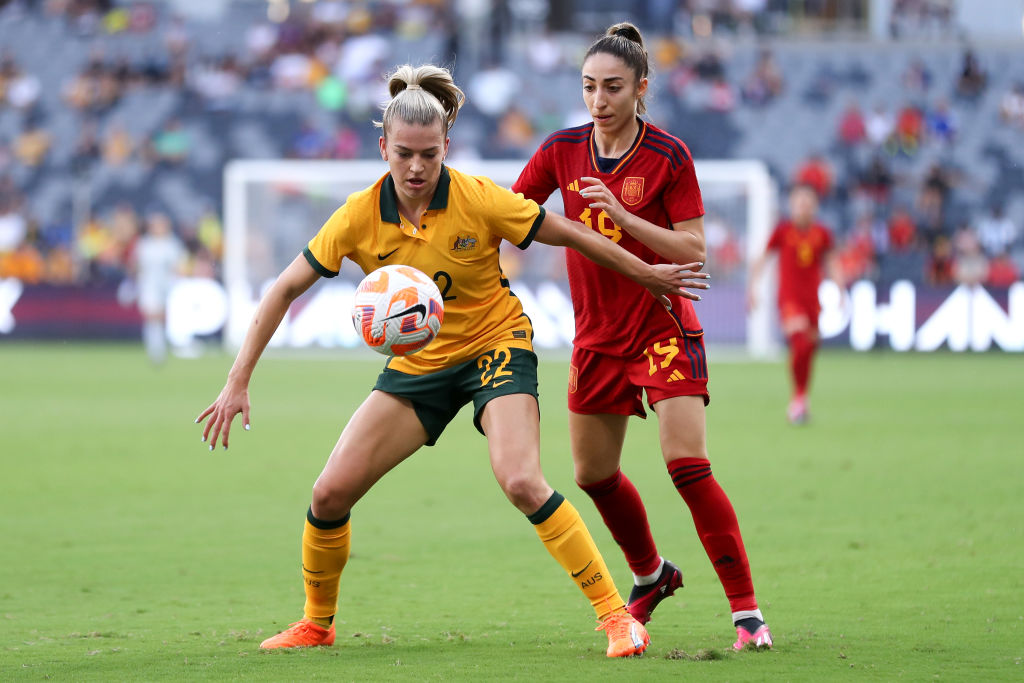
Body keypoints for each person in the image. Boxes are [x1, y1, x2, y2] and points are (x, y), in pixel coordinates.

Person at [195, 63, 711, 658]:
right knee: (329, 494)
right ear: (383, 146)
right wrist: (238, 381)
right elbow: (284, 288)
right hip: (420, 366)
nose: (416, 168)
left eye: (430, 155)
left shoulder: (480, 199)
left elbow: (570, 233)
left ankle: (618, 618)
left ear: (448, 148)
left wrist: (645, 271)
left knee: (520, 479)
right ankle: (316, 622)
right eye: (405, 154)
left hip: (497, 346)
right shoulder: (357, 216)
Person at [512, 23, 773, 652]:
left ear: (641, 89)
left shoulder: (669, 156)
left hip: (661, 326)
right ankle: (652, 575)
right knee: (592, 473)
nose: (598, 100)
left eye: (612, 88)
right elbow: (512, 212)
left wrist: (624, 218)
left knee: (688, 465)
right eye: (589, 87)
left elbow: (694, 248)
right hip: (596, 334)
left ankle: (747, 615)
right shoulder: (560, 150)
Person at [748, 184, 844, 424]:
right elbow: (762, 259)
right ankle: (799, 398)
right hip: (789, 299)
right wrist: (752, 289)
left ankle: (800, 397)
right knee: (800, 343)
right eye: (799, 203)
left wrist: (841, 290)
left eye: (808, 203)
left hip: (813, 300)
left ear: (815, 207)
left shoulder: (822, 233)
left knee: (809, 350)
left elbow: (833, 263)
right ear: (792, 206)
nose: (803, 208)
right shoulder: (782, 231)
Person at [133, 210, 186, 364]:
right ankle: (156, 351)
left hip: (169, 287)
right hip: (149, 287)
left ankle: (175, 345)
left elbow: (180, 266)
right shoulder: (144, 245)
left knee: (168, 319)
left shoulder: (172, 244)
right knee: (152, 318)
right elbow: (138, 266)